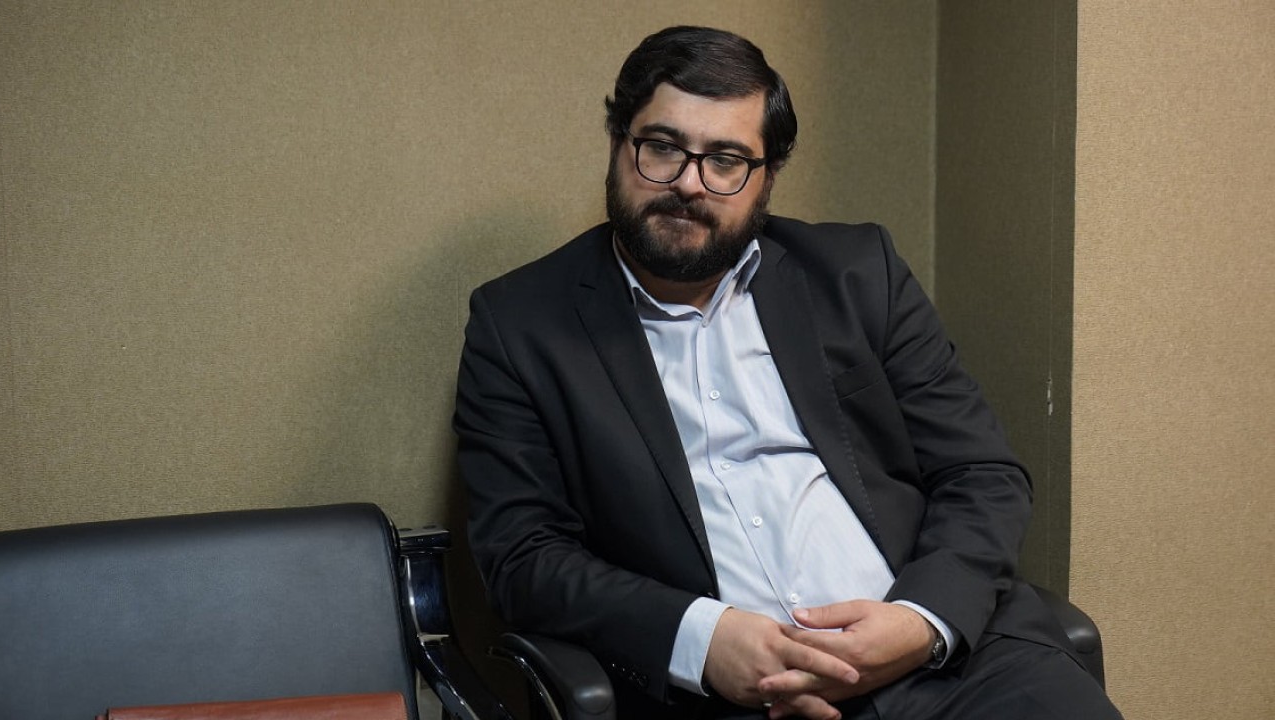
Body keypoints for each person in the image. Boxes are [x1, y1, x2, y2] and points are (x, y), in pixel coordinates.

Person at [454, 25, 1122, 720]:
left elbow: (981, 472)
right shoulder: (519, 325)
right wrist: (702, 639)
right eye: (663, 148)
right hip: (732, 700)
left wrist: (920, 621)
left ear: (767, 177)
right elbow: (523, 557)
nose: (688, 183)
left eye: (726, 160)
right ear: (618, 142)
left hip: (948, 667)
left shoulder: (858, 274)